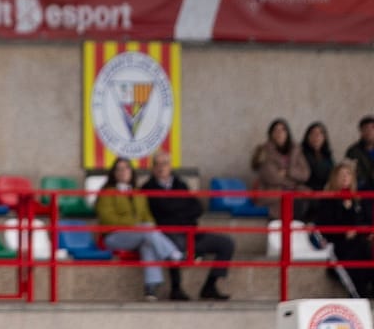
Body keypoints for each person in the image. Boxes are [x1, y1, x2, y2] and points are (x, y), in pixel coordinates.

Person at [141, 152, 233, 300]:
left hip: (192, 233)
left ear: (170, 166)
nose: (161, 168)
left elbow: (197, 208)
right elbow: (162, 211)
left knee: (226, 244)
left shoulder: (181, 184)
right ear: (152, 168)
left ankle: (210, 286)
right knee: (173, 245)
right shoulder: (147, 189)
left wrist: (176, 211)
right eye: (157, 164)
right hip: (169, 234)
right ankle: (176, 288)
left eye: (164, 164)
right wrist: (181, 209)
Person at [95, 157, 185, 301]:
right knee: (146, 231)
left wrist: (143, 226)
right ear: (114, 173)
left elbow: (148, 217)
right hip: (114, 236)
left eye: (126, 168)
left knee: (147, 240)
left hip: (139, 234)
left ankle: (151, 288)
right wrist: (135, 225)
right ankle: (172, 253)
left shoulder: (138, 193)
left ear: (131, 172)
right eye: (119, 169)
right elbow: (108, 219)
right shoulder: (107, 193)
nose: (123, 172)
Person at [313, 161, 374, 298]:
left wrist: (363, 231)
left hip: (359, 242)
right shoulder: (328, 200)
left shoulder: (357, 199)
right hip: (339, 246)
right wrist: (344, 233)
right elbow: (324, 226)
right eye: (341, 175)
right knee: (355, 264)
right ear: (334, 178)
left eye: (348, 174)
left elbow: (364, 220)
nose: (345, 177)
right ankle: (360, 296)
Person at [251, 118, 310, 219]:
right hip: (273, 195)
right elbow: (272, 177)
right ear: (271, 134)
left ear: (287, 133)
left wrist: (288, 172)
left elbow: (305, 174)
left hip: (294, 192)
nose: (279, 133)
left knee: (312, 201)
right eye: (276, 130)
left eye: (283, 130)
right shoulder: (264, 151)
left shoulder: (295, 150)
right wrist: (294, 180)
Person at [301, 122, 334, 196]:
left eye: (320, 134)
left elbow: (332, 173)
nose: (316, 136)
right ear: (307, 137)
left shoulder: (327, 155)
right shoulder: (301, 154)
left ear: (324, 137)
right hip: (307, 193)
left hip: (326, 192)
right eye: (313, 133)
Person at [344, 115, 374, 191]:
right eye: (366, 129)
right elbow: (350, 173)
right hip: (361, 190)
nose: (369, 132)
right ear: (361, 131)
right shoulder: (353, 151)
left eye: (372, 128)